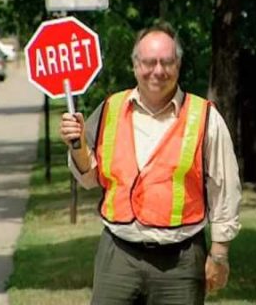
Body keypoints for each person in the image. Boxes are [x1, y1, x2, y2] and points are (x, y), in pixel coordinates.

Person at [59, 22, 242, 305]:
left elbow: (225, 187)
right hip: (118, 255)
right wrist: (77, 145)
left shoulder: (204, 117)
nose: (158, 71)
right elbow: (89, 177)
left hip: (180, 261)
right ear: (135, 66)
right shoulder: (110, 109)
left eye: (166, 62)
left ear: (178, 65)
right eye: (149, 62)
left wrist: (219, 254)